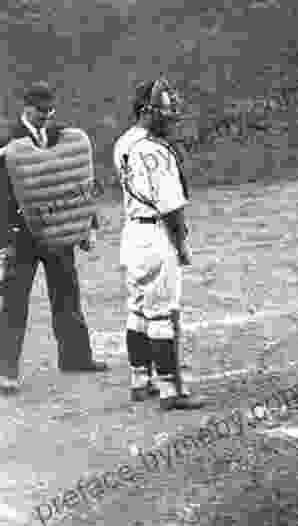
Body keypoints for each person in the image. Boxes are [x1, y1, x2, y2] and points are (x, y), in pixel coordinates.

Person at [0, 81, 107, 394]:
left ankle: (76, 357)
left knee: (67, 293)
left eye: (50, 110)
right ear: (26, 107)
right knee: (14, 301)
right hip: (20, 234)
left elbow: (76, 181)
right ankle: (4, 370)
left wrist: (88, 223)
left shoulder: (62, 137)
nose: (46, 115)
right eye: (40, 110)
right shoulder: (8, 139)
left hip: (55, 230)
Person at [113, 76, 204, 411]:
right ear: (146, 113)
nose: (170, 121)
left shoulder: (123, 143)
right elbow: (171, 207)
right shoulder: (156, 151)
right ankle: (170, 391)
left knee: (138, 310)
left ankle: (140, 381)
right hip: (156, 236)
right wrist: (181, 244)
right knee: (164, 315)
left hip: (132, 234)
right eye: (164, 115)